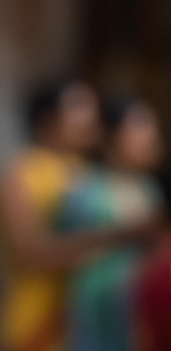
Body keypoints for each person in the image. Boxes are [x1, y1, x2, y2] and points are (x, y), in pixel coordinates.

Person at [0, 81, 153, 351]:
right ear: (46, 119)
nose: (89, 117)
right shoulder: (18, 176)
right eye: (78, 107)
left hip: (86, 323)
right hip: (36, 322)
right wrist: (120, 234)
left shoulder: (89, 173)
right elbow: (33, 253)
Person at [56, 97, 164, 350]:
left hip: (137, 309)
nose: (149, 138)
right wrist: (127, 233)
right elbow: (66, 250)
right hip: (95, 308)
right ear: (111, 136)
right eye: (139, 128)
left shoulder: (149, 190)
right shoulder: (84, 187)